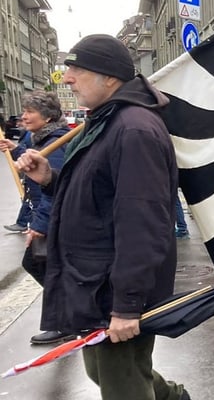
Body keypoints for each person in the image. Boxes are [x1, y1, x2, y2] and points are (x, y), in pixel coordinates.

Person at [16, 34, 190, 400]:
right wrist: (49, 178)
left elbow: (142, 222)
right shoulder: (108, 120)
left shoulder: (134, 129)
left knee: (122, 384)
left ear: (109, 77)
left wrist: (127, 305)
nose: (67, 78)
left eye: (77, 69)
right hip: (95, 285)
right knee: (104, 371)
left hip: (114, 287)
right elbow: (98, 194)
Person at [0, 92, 72, 344]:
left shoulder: (55, 142)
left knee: (41, 265)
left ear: (48, 116)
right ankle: (70, 315)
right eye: (24, 110)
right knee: (49, 268)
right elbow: (34, 160)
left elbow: (55, 189)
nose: (24, 116)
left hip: (55, 220)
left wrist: (39, 226)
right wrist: (17, 148)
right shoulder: (45, 138)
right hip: (49, 218)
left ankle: (68, 319)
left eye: (30, 111)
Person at [3, 128, 33, 233]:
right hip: (30, 175)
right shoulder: (30, 133)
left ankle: (24, 223)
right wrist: (15, 149)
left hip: (36, 178)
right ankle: (22, 223)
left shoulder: (52, 138)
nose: (24, 117)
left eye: (30, 111)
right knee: (28, 199)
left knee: (32, 200)